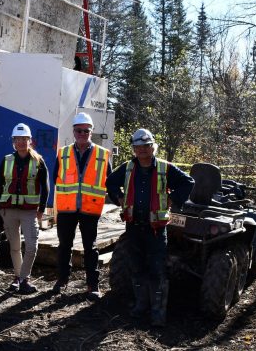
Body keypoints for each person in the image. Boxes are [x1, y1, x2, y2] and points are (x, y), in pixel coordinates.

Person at [106, 128, 194, 327]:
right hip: (133, 229)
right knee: (136, 268)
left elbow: (188, 182)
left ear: (152, 147)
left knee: (157, 271)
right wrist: (119, 198)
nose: (143, 150)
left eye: (146, 146)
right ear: (134, 149)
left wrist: (173, 199)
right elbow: (110, 182)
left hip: (156, 230)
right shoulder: (127, 168)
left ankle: (157, 313)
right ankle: (140, 306)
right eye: (139, 147)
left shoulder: (165, 168)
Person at [52, 112, 112, 300]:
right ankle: (62, 280)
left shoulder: (102, 155)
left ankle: (92, 285)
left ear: (91, 131)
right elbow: (55, 177)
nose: (82, 134)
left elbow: (109, 181)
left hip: (90, 208)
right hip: (67, 209)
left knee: (90, 248)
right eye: (79, 130)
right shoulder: (63, 153)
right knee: (64, 246)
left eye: (86, 130)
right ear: (73, 131)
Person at [0, 123, 50, 294]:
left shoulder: (38, 161)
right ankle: (17, 277)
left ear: (30, 141)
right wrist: (0, 206)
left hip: (29, 211)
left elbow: (45, 186)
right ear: (13, 141)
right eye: (17, 139)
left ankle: (24, 278)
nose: (21, 142)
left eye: (24, 139)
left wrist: (41, 208)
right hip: (9, 210)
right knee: (15, 246)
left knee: (32, 246)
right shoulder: (7, 160)